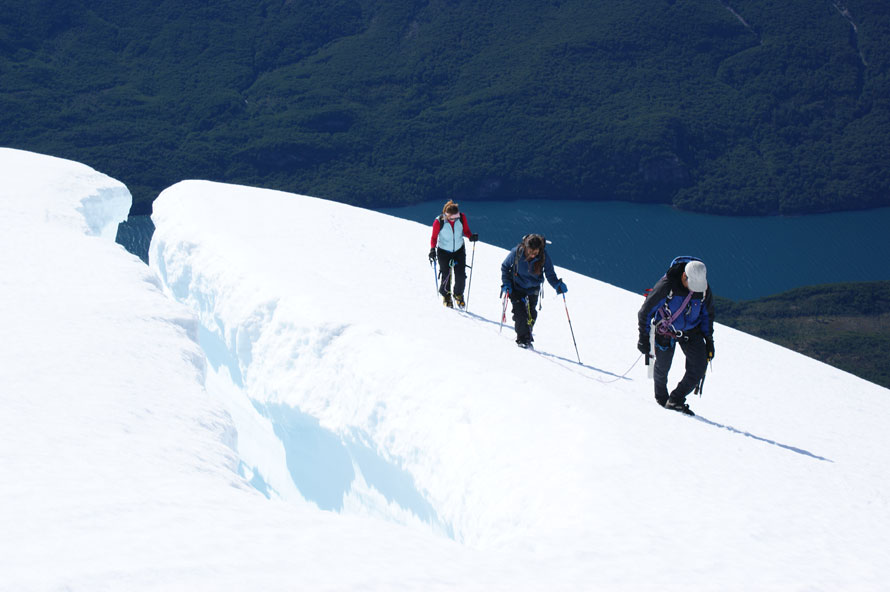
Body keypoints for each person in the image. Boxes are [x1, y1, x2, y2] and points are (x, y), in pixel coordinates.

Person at [637, 258, 715, 416]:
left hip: (691, 331)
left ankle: (675, 399)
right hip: (666, 329)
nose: (694, 289)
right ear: (684, 276)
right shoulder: (667, 286)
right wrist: (643, 337)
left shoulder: (703, 289)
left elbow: (707, 315)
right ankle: (661, 398)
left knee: (699, 366)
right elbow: (645, 312)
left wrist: (709, 340)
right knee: (662, 366)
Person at [500, 234, 567, 348]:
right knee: (520, 313)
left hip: (533, 289)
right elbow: (505, 267)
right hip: (516, 287)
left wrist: (557, 284)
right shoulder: (517, 252)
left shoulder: (543, 256)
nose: (532, 255)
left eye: (535, 252)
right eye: (530, 251)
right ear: (525, 247)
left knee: (531, 314)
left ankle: (527, 333)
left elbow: (550, 274)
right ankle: (523, 340)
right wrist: (506, 283)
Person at [429, 200, 477, 308]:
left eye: (456, 217)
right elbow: (434, 237)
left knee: (461, 276)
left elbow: (466, 230)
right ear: (446, 215)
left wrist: (470, 236)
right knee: (446, 275)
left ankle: (458, 294)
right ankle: (446, 296)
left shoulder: (462, 217)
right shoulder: (439, 221)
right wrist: (432, 249)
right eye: (451, 218)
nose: (454, 220)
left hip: (459, 250)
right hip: (444, 252)